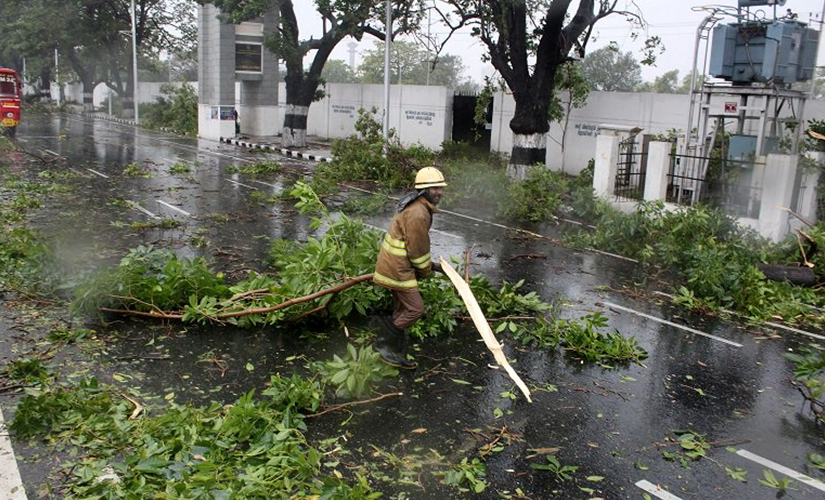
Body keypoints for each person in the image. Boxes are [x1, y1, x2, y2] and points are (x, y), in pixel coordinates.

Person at [372, 166, 447, 369]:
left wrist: (434, 266)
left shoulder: (419, 206)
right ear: (423, 190)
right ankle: (383, 346)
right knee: (415, 309)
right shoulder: (418, 213)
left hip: (396, 265)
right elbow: (417, 250)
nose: (439, 192)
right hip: (398, 269)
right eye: (434, 188)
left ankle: (392, 353)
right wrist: (426, 270)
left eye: (440, 188)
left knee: (401, 309)